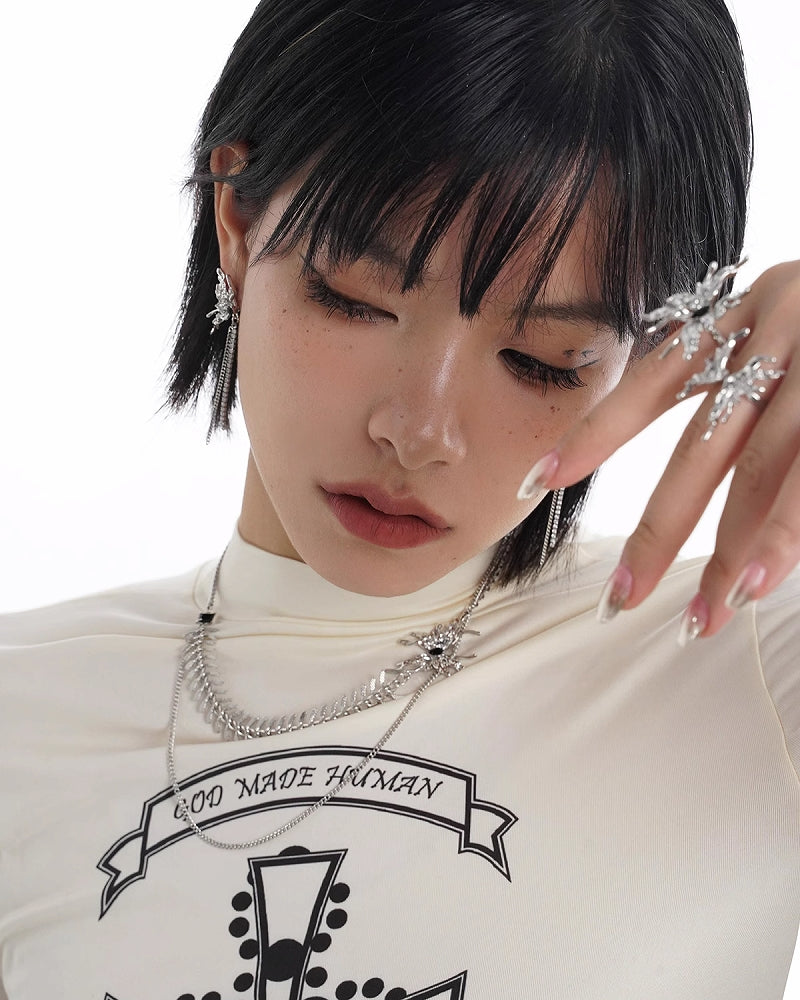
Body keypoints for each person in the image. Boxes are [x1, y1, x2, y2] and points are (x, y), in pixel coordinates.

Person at [1, 1, 799, 998]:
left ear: (655, 346)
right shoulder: (20, 716)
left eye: (542, 359)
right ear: (237, 222)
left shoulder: (741, 666)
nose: (419, 430)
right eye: (355, 298)